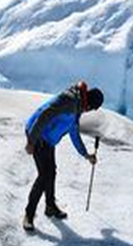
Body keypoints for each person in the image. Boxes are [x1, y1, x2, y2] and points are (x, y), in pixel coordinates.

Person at [23, 81, 104, 232]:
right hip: (38, 135)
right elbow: (44, 115)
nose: (88, 111)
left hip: (47, 140)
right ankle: (29, 214)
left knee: (51, 172)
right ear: (89, 103)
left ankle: (50, 206)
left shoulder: (77, 107)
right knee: (44, 176)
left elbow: (74, 133)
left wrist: (86, 155)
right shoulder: (68, 101)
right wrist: (31, 141)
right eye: (91, 108)